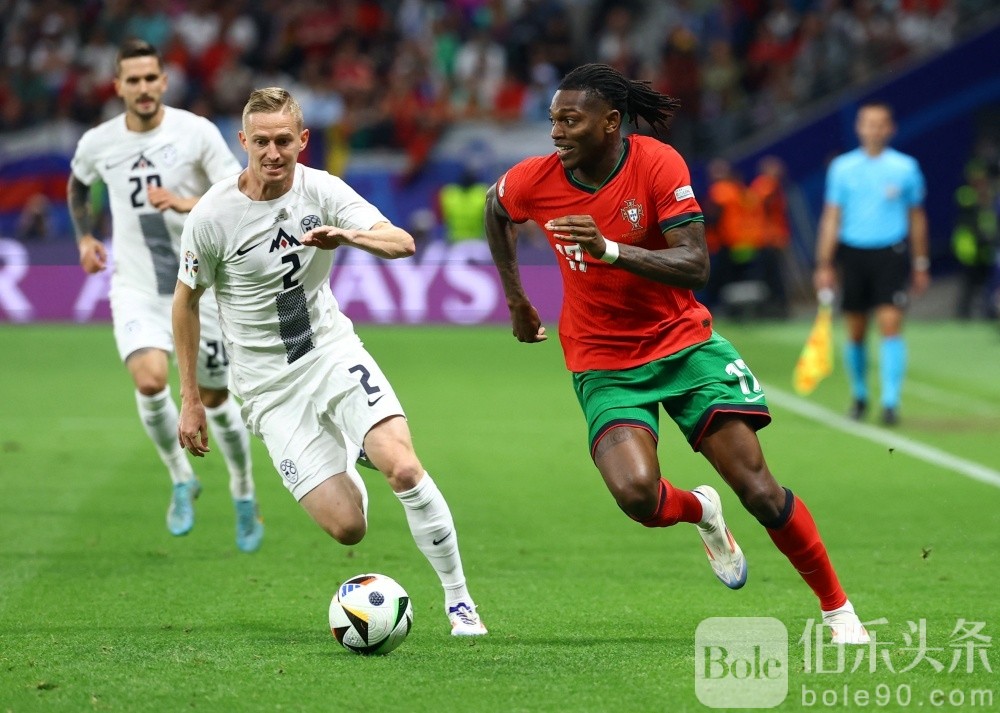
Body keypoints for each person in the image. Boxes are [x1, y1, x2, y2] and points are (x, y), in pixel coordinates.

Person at [484, 63, 868, 644]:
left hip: (683, 347)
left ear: (611, 122)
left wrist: (610, 250)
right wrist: (517, 299)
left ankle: (839, 612)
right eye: (553, 120)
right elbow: (496, 210)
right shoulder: (535, 179)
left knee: (760, 492)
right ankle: (701, 511)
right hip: (604, 363)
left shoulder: (657, 163)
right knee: (637, 497)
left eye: (571, 120)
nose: (556, 132)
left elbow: (695, 264)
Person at [172, 87, 487, 636]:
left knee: (403, 467)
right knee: (348, 528)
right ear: (243, 141)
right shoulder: (213, 216)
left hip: (329, 352)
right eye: (261, 142)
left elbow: (402, 242)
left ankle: (460, 602)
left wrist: (349, 236)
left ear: (303, 140)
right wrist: (191, 398)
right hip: (268, 389)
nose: (273, 153)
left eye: (284, 141)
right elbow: (185, 303)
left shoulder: (322, 190)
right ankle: (351, 447)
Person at [68, 39, 263, 552]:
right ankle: (181, 478)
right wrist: (85, 238)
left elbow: (240, 191)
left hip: (200, 290)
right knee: (150, 380)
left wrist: (183, 202)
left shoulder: (195, 132)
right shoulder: (99, 142)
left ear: (163, 82)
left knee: (215, 400)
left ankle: (243, 489)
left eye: (150, 78)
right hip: (136, 286)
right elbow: (78, 184)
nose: (143, 88)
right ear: (118, 86)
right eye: (132, 80)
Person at [814, 101, 930, 426]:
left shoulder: (905, 168)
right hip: (852, 253)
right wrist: (824, 263)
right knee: (855, 330)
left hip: (890, 253)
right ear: (859, 128)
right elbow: (831, 217)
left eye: (880, 123)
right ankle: (860, 395)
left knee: (890, 325)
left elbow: (917, 217)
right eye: (868, 123)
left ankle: (891, 401)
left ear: (890, 128)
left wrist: (921, 262)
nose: (874, 129)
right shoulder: (842, 168)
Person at [951, 159, 998, 320]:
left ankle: (988, 314)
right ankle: (963, 315)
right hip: (969, 248)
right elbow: (970, 208)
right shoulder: (965, 193)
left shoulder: (991, 193)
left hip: (986, 247)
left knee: (988, 283)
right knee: (969, 283)